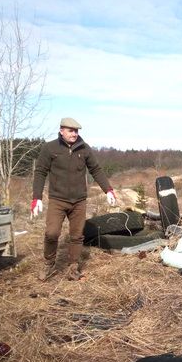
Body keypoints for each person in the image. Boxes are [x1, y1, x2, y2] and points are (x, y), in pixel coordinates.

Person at [31, 117, 117, 281]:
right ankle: (49, 264)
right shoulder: (50, 148)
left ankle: (73, 268)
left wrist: (108, 190)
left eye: (76, 131)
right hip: (58, 199)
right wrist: (37, 198)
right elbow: (40, 172)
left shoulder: (84, 149)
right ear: (61, 130)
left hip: (79, 201)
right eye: (71, 131)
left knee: (77, 236)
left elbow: (96, 170)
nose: (74, 134)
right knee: (51, 233)